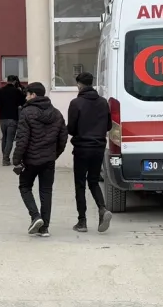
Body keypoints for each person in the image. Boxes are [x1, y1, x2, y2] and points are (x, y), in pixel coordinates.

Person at [12, 82, 68, 237]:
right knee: (46, 191)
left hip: (30, 160)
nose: (26, 96)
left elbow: (22, 140)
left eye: (27, 94)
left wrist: (16, 160)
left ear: (33, 95)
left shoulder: (26, 112)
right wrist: (54, 155)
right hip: (48, 160)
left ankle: (35, 216)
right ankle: (45, 228)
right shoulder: (56, 113)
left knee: (24, 187)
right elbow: (63, 138)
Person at [67, 72, 113, 233]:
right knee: (93, 181)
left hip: (81, 149)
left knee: (80, 184)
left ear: (79, 84)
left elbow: (71, 129)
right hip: (98, 148)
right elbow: (108, 126)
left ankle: (82, 222)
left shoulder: (76, 103)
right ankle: (102, 209)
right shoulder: (103, 102)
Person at [0, 75, 26, 166]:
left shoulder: (0, 91)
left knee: (4, 138)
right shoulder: (17, 91)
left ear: (7, 81)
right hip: (13, 118)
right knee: (10, 139)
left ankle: (5, 157)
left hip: (3, 119)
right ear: (14, 81)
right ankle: (5, 159)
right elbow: (23, 102)